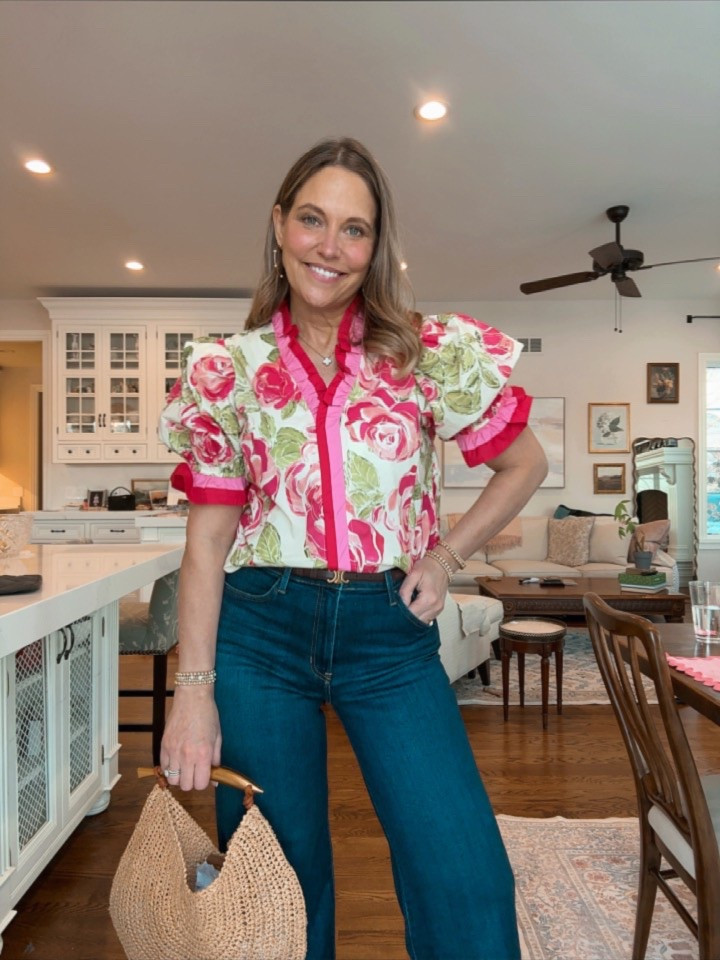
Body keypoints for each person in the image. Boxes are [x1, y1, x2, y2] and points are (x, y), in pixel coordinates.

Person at [158, 136, 547, 960]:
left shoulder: (427, 352)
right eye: (312, 219)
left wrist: (443, 558)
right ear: (279, 225)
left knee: (463, 870)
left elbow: (524, 463)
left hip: (387, 634)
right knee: (279, 884)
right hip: (259, 633)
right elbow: (208, 541)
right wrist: (194, 691)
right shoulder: (229, 371)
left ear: (376, 246)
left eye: (355, 229)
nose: (330, 246)